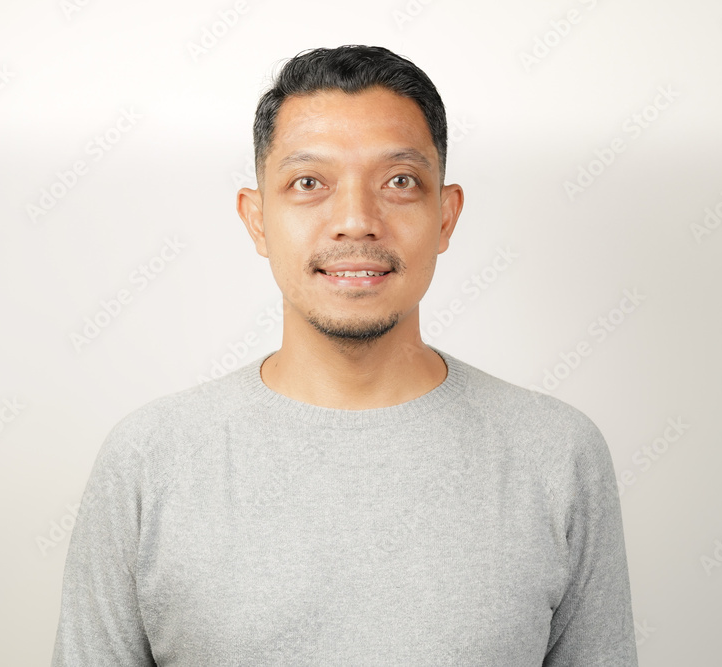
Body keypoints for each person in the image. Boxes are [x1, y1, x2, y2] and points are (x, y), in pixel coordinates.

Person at [51, 44, 638, 666]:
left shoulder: (558, 453)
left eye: (399, 182)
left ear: (446, 214)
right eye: (309, 183)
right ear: (257, 220)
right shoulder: (148, 460)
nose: (356, 221)